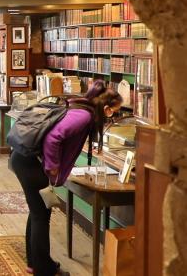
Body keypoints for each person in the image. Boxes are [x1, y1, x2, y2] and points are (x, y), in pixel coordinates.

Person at [10, 80, 123, 276]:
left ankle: (35, 263)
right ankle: (43, 269)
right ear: (105, 108)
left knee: (38, 212)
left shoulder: (80, 109)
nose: (114, 115)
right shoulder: (84, 115)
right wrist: (52, 168)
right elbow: (54, 138)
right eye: (114, 111)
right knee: (40, 214)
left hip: (26, 159)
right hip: (32, 163)